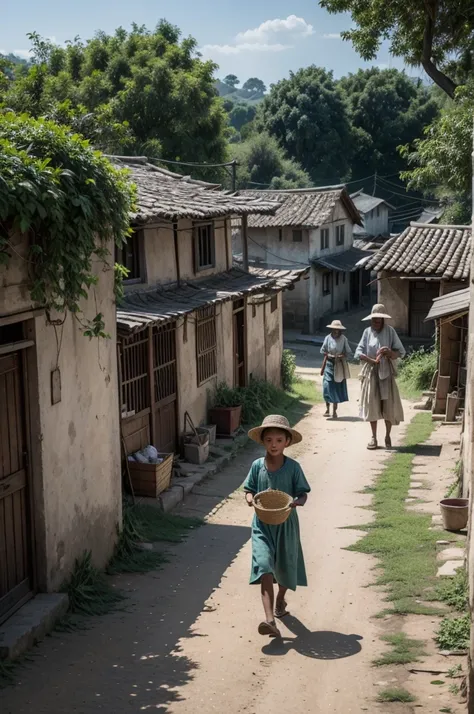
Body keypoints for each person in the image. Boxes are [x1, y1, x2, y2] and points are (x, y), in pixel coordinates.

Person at [243, 415, 311, 638]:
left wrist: (297, 502)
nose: (274, 444)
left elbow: (303, 494)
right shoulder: (256, 466)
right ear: (263, 441)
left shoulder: (293, 468)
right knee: (264, 566)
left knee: (284, 567)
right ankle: (269, 620)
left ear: (287, 442)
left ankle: (280, 598)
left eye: (279, 440)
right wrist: (250, 499)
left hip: (286, 524)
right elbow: (248, 489)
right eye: (269, 439)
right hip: (262, 525)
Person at [354, 304, 406, 450]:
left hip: (386, 373)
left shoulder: (390, 332)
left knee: (388, 406)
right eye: (374, 320)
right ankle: (373, 437)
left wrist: (389, 352)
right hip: (371, 372)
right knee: (372, 405)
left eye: (378, 320)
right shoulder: (367, 332)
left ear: (383, 320)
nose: (376, 322)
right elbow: (358, 350)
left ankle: (388, 435)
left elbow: (400, 352)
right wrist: (366, 357)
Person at [320, 319, 352, 418]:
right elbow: (323, 350)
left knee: (336, 388)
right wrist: (327, 357)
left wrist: (341, 355)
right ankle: (327, 408)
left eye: (337, 329)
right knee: (327, 386)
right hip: (329, 364)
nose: (335, 331)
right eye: (334, 329)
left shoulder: (343, 339)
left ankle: (334, 411)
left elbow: (348, 352)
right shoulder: (327, 338)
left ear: (340, 330)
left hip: (338, 365)